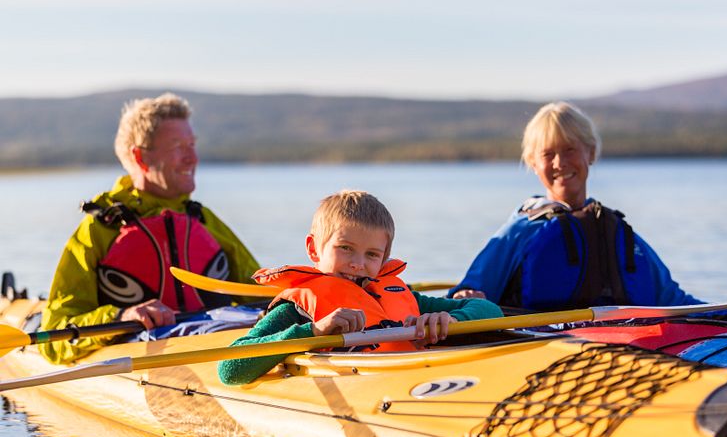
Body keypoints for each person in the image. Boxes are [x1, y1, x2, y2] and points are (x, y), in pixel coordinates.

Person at [449, 101, 727, 319]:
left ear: (590, 152)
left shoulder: (617, 231)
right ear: (533, 163)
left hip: (626, 352)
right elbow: (467, 298)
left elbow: (674, 301)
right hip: (540, 352)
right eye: (548, 154)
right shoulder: (521, 231)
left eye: (569, 150)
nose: (559, 163)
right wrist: (466, 298)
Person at [41, 93, 261, 364]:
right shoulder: (98, 231)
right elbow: (55, 336)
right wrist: (121, 317)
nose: (192, 158)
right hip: (140, 356)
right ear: (141, 158)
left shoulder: (203, 220)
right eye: (178, 146)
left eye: (192, 144)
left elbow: (260, 292)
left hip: (212, 345)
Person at [218, 190, 503, 385]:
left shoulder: (396, 295)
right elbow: (230, 370)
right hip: (360, 389)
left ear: (384, 259)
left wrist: (451, 320)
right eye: (345, 248)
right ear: (314, 249)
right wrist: (315, 331)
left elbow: (490, 310)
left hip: (410, 381)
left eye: (371, 255)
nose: (357, 264)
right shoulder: (298, 309)